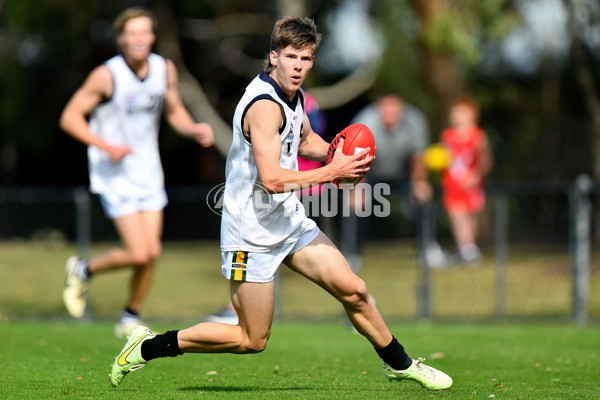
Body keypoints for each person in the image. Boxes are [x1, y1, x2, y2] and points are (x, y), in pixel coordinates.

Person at [109, 16, 452, 391]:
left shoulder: (295, 96)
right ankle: (148, 345)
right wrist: (332, 172)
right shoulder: (263, 106)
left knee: (353, 289)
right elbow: (271, 179)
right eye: (291, 57)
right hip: (249, 232)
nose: (299, 66)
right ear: (273, 57)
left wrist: (341, 156)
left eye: (306, 58)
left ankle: (399, 363)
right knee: (250, 339)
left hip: (287, 221)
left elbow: (304, 142)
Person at [59, 7, 214, 338]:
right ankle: (83, 269)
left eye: (144, 32)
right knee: (139, 251)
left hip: (148, 170)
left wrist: (193, 129)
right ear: (121, 39)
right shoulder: (106, 75)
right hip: (113, 172)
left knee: (152, 252)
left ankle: (130, 315)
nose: (138, 39)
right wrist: (105, 145)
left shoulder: (164, 69)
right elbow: (70, 117)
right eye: (132, 33)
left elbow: (175, 112)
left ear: (152, 37)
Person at [345, 93, 441, 271]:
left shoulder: (415, 120)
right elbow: (356, 159)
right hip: (370, 171)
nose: (389, 112)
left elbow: (418, 157)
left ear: (401, 107)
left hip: (403, 172)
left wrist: (419, 182)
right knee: (356, 204)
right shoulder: (364, 122)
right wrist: (357, 186)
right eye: (385, 107)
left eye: (394, 107)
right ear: (378, 107)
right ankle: (352, 254)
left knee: (423, 197)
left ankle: (427, 248)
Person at [439, 95, 493, 264]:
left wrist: (477, 175)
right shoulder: (447, 136)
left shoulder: (478, 136)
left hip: (471, 186)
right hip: (452, 185)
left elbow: (486, 160)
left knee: (469, 218)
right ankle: (466, 249)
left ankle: (468, 248)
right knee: (457, 216)